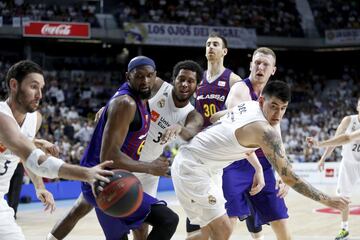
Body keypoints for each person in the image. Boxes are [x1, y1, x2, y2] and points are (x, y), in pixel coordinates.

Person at [171, 80, 349, 240]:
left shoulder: (248, 105)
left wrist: (234, 138)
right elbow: (288, 178)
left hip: (206, 166)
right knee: (223, 229)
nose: (278, 114)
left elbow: (215, 117)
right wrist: (328, 200)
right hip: (193, 167)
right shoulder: (265, 132)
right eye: (274, 106)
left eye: (283, 108)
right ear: (262, 101)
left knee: (211, 232)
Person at [47, 59, 204, 240]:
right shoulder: (151, 88)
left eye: (190, 81)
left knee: (140, 227)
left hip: (140, 169)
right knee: (83, 209)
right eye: (181, 79)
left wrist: (179, 128)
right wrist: (110, 108)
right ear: (172, 79)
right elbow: (126, 92)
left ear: (197, 86)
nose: (184, 84)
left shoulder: (192, 114)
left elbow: (191, 131)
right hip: (122, 165)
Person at [0, 60, 114, 240]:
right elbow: (37, 160)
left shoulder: (35, 119)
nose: (39, 95)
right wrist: (87, 174)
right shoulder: (0, 115)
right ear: (14, 85)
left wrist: (39, 187)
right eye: (33, 87)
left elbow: (25, 153)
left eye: (42, 88)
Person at [77, 56, 180, 240]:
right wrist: (150, 167)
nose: (145, 81)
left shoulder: (142, 99)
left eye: (149, 76)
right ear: (128, 77)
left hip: (111, 178)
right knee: (167, 220)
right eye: (139, 76)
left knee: (139, 229)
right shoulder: (126, 103)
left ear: (155, 76)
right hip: (103, 182)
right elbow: (109, 156)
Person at [212, 47, 291, 240]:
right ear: (251, 65)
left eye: (266, 64)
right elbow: (237, 136)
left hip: (263, 164)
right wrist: (257, 169)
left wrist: (284, 172)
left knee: (282, 227)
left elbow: (277, 137)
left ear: (273, 70)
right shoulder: (240, 89)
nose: (260, 67)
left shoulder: (274, 96)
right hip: (235, 162)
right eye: (257, 63)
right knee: (225, 229)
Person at [306, 97, 360, 240]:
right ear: (357, 106)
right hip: (349, 163)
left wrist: (318, 144)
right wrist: (323, 158)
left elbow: (347, 139)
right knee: (343, 198)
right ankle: (344, 229)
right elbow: (338, 140)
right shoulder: (348, 120)